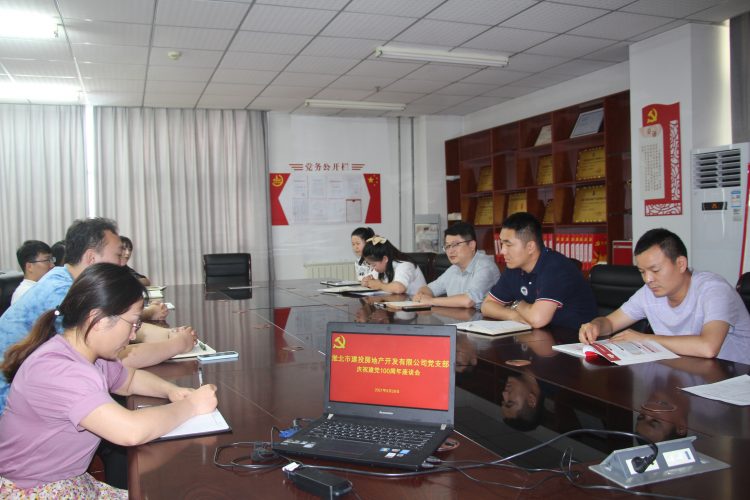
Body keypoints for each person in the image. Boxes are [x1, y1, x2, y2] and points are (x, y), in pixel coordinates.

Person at [0, 263, 217, 497]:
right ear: (98, 319)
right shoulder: (60, 370)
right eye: (132, 323)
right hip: (34, 491)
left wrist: (169, 391)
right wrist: (191, 406)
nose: (133, 335)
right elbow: (130, 431)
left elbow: (129, 379)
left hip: (65, 482)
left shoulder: (87, 355)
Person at [0, 218, 196, 411]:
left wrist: (170, 334)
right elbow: (115, 360)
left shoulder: (67, 279)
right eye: (118, 255)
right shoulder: (62, 292)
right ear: (91, 258)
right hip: (13, 404)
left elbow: (125, 326)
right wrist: (177, 344)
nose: (123, 263)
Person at [579, 228, 750, 364]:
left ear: (681, 264)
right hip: (686, 371)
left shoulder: (714, 290)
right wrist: (595, 326)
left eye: (655, 270)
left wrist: (644, 339)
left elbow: (708, 347)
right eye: (642, 272)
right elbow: (610, 323)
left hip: (734, 379)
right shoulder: (649, 292)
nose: (648, 279)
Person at [481, 212, 597, 330]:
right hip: (542, 334)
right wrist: (512, 315)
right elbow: (486, 306)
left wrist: (516, 304)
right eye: (502, 244)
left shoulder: (555, 267)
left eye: (508, 245)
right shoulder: (514, 267)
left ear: (530, 247)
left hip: (575, 337)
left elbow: (537, 319)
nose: (502, 251)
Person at [413, 222, 499, 309]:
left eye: (455, 245)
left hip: (481, 317)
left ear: (471, 245)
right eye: (447, 246)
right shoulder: (453, 269)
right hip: (457, 316)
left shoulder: (485, 267)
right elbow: (429, 289)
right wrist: (421, 295)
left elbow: (468, 301)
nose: (450, 251)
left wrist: (431, 301)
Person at [361, 236, 426, 296]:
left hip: (418, 303)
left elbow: (399, 288)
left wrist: (380, 285)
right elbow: (372, 279)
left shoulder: (405, 265)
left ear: (385, 259)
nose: (372, 268)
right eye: (369, 264)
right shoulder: (382, 266)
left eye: (373, 265)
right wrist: (366, 281)